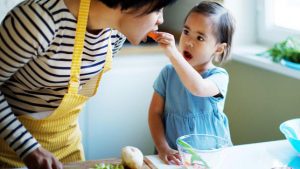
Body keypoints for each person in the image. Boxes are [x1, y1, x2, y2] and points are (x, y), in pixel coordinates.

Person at [0, 0, 177, 168]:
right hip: (10, 151)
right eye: (157, 9)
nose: (161, 20)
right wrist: (28, 148)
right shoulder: (37, 21)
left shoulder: (116, 33)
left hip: (68, 147)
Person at [148, 1, 235, 165]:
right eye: (186, 31)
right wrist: (163, 148)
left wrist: (174, 54)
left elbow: (198, 88)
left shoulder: (219, 76)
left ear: (219, 48)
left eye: (200, 37)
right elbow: (154, 114)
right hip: (174, 158)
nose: (188, 42)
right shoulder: (168, 73)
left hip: (213, 158)